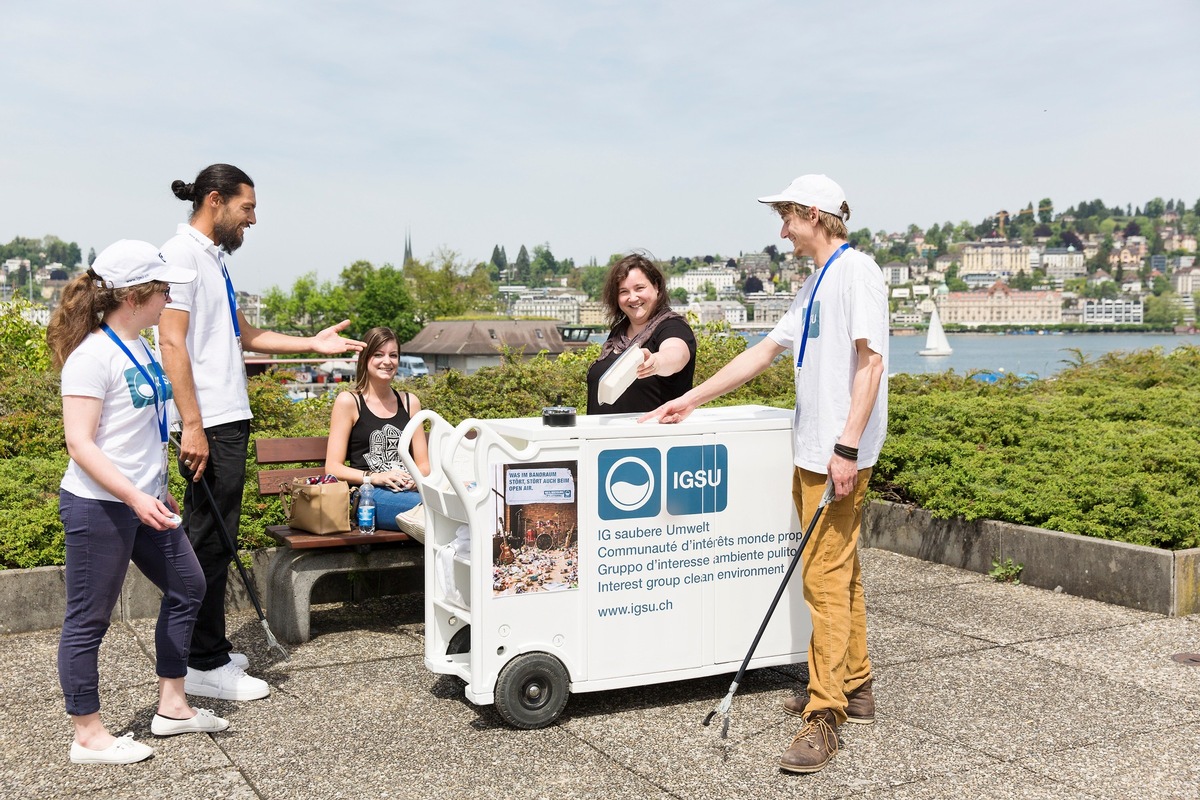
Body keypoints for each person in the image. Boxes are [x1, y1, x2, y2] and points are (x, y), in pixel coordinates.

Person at [641, 175, 888, 774]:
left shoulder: (858, 273)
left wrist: (848, 446)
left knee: (822, 579)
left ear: (813, 213)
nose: (781, 231)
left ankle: (824, 713)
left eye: (787, 219)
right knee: (840, 568)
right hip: (813, 451)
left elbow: (871, 361)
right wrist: (691, 400)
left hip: (836, 452)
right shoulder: (816, 282)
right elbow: (764, 352)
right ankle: (855, 684)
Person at [157, 164, 364, 701]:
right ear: (215, 200)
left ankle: (212, 651)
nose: (253, 219)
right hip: (210, 421)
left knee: (217, 539)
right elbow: (172, 344)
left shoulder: (213, 260)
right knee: (207, 542)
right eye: (247, 209)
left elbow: (245, 334)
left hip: (229, 417)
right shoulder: (180, 257)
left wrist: (312, 345)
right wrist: (193, 426)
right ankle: (201, 663)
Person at [49, 240, 229, 765]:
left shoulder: (144, 349)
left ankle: (172, 708)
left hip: (144, 500)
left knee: (188, 585)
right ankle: (87, 734)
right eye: (163, 288)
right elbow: (80, 444)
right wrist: (133, 494)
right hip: (99, 506)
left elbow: (138, 433)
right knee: (89, 618)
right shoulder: (91, 357)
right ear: (135, 296)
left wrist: (155, 485)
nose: (170, 295)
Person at [324, 326, 430, 527]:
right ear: (365, 359)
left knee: (453, 502)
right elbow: (333, 467)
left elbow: (423, 465)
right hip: (369, 495)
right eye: (378, 355)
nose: (387, 361)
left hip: (409, 490)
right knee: (433, 507)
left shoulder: (410, 402)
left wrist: (415, 479)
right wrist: (377, 477)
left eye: (393, 355)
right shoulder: (348, 402)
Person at [585, 253, 696, 414]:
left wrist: (656, 361)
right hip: (602, 437)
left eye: (639, 288)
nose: (632, 297)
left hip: (651, 436)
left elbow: (677, 354)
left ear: (656, 287)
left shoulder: (672, 326)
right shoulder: (618, 334)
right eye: (623, 291)